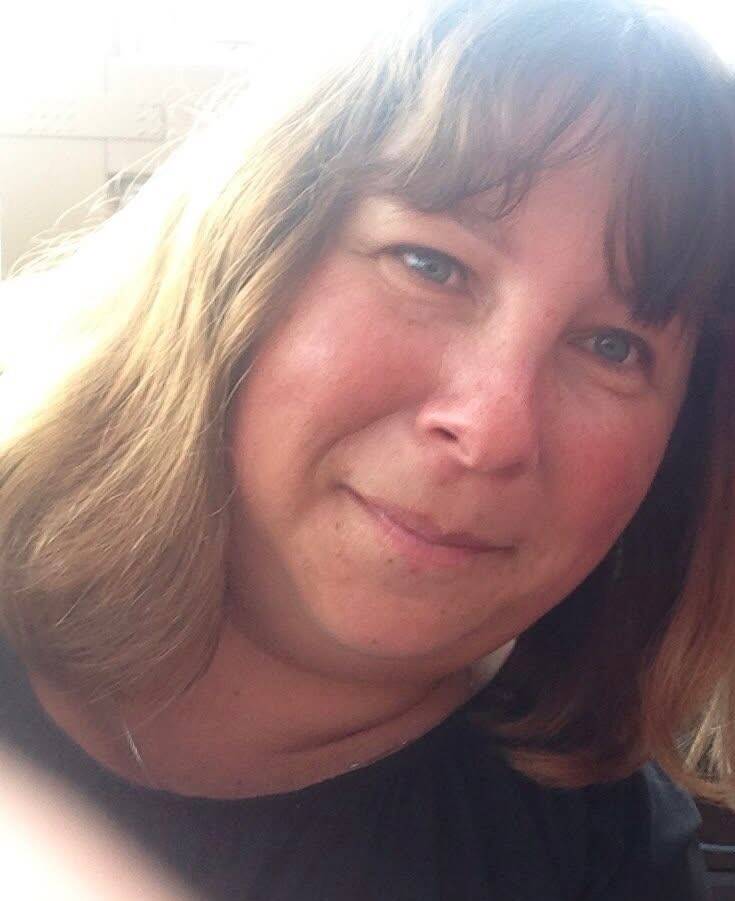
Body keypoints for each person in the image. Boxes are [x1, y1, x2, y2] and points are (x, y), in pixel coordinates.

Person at [0, 0, 733, 897]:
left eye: (613, 347)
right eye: (430, 264)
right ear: (244, 254)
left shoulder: (602, 850)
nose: (491, 428)